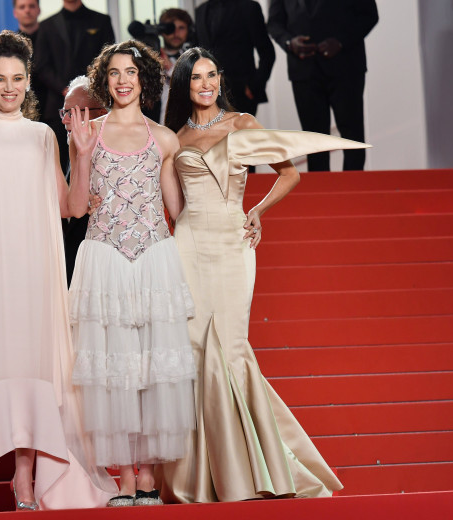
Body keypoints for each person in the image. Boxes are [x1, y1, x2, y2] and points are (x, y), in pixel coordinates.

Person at [159, 47, 369, 503]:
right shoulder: (173, 139)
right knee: (195, 350)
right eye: (196, 78)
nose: (206, 84)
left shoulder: (243, 124)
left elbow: (290, 174)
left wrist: (256, 210)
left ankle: (257, 468)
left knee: (231, 347)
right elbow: (174, 211)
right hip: (189, 246)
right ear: (183, 85)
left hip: (235, 243)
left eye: (212, 74)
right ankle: (203, 477)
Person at [0, 30, 117, 515]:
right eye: (0, 79)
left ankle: (23, 482)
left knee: (28, 372)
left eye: (17, 78)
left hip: (34, 272)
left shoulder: (43, 136)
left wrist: (81, 155)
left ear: (27, 81)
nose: (9, 87)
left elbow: (73, 207)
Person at [67, 40, 196, 507]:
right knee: (115, 372)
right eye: (115, 72)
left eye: (132, 72)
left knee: (150, 369)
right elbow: (76, 208)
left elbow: (176, 210)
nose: (123, 80)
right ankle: (124, 477)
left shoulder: (164, 138)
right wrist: (81, 155)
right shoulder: (89, 131)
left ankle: (148, 480)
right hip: (105, 260)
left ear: (145, 79)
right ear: (106, 80)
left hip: (153, 260)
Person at [268, 0, 378, 171]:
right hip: (303, 71)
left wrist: (341, 42)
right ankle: (319, 194)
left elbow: (369, 16)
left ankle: (354, 192)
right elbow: (274, 23)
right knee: (313, 141)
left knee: (352, 137)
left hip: (346, 68)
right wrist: (290, 43)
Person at [34, 0, 115, 172]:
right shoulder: (46, 25)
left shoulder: (102, 21)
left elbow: (108, 61)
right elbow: (41, 66)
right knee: (57, 166)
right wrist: (66, 90)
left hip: (93, 106)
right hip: (57, 107)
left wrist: (87, 90)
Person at [59, 75, 107, 283]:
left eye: (73, 113)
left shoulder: (111, 159)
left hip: (97, 268)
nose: (65, 120)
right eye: (64, 112)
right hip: (68, 262)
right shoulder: (65, 147)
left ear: (102, 114)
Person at [194, 0, 275, 119]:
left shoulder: (249, 7)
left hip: (242, 92)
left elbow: (267, 52)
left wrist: (255, 84)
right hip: (208, 93)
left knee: (240, 136)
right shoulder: (200, 11)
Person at [157, 8, 193, 124]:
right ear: (162, 31)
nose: (176, 33)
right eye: (170, 28)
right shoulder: (148, 60)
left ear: (189, 31)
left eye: (181, 28)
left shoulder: (196, 59)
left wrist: (171, 68)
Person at [13, 0, 48, 113]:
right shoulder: (10, 44)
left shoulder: (53, 39)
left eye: (31, 6)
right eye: (22, 7)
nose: (27, 10)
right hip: (21, 106)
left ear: (39, 10)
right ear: (15, 12)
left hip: (51, 105)